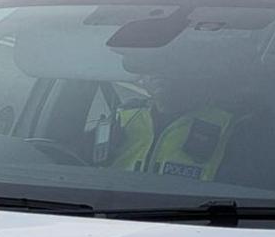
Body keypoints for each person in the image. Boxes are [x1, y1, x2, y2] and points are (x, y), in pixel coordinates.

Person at [103, 72, 245, 181]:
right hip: (108, 213)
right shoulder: (123, 117)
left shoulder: (227, 126)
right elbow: (85, 169)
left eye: (167, 62)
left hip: (194, 216)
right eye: (150, 64)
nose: (157, 72)